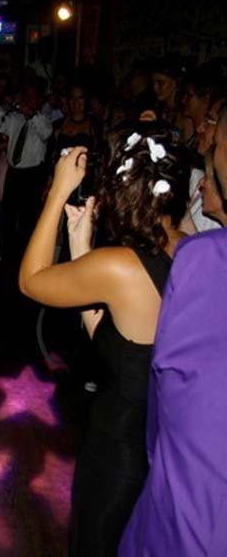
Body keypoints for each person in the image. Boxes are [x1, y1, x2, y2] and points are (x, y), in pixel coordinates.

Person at [18, 128, 190, 556]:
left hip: (119, 454)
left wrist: (58, 193)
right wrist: (81, 249)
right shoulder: (199, 252)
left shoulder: (121, 266)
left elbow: (31, 281)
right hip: (168, 450)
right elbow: (123, 348)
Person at [118, 118, 227, 557]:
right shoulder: (195, 251)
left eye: (216, 141)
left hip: (192, 513)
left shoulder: (201, 260)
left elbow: (168, 395)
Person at [0, 83, 53, 264]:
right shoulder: (15, 119)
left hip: (32, 175)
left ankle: (26, 256)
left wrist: (31, 115)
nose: (28, 100)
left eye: (33, 97)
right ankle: (7, 253)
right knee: (7, 216)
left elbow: (46, 134)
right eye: (26, 96)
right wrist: (4, 106)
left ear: (39, 101)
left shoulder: (43, 119)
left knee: (28, 218)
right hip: (14, 173)